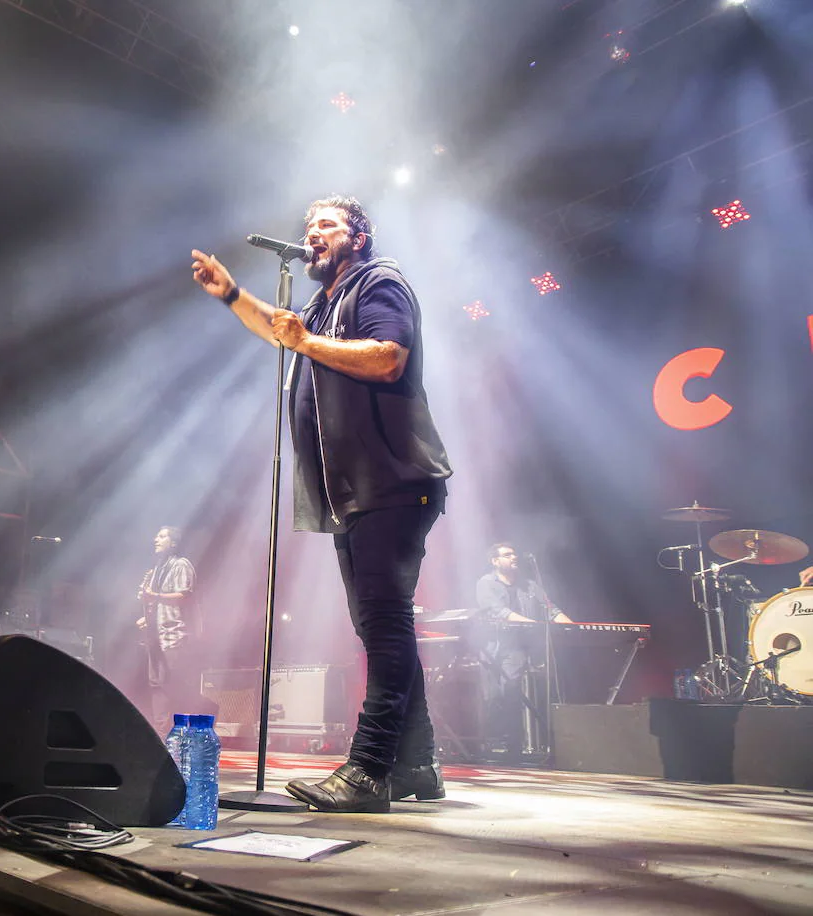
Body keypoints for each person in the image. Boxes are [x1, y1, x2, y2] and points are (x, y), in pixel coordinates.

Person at [191, 196, 452, 813]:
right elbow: (284, 332)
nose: (313, 233)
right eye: (308, 226)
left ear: (358, 237)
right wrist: (234, 296)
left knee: (386, 623)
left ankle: (368, 770)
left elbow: (389, 358)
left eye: (327, 225)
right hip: (355, 489)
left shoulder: (378, 282)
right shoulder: (320, 304)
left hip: (393, 479)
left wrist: (305, 339)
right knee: (377, 625)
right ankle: (417, 766)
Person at [474, 543, 572, 760]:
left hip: (519, 647)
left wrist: (574, 627)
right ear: (495, 561)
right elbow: (500, 612)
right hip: (494, 646)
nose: (514, 557)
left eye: (514, 553)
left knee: (512, 690)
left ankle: (518, 747)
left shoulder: (529, 586)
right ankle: (498, 743)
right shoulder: (487, 583)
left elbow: (552, 610)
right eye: (507, 554)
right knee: (495, 696)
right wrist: (536, 623)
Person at [135, 526, 215, 727]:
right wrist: (148, 617)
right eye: (156, 535)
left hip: (174, 636)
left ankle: (207, 710)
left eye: (162, 536)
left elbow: (184, 596)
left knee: (174, 686)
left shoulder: (181, 565)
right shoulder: (157, 570)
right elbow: (157, 603)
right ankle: (163, 737)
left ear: (173, 542)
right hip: (155, 637)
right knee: (157, 686)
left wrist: (155, 596)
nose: (156, 539)